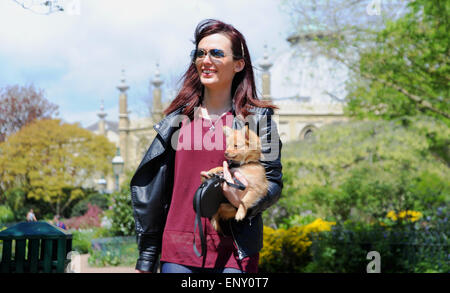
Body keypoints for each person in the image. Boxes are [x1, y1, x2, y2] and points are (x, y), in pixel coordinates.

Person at [131, 19, 283, 273]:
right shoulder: (176, 121)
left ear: (238, 64)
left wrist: (246, 199)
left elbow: (274, 182)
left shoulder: (258, 120)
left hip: (234, 249)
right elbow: (157, 190)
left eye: (216, 53)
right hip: (177, 249)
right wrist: (146, 258)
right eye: (200, 53)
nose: (206, 59)